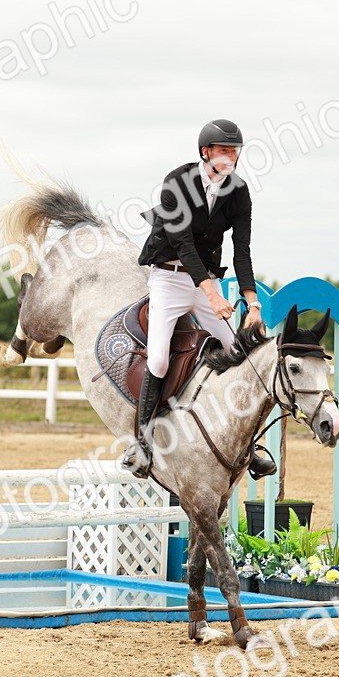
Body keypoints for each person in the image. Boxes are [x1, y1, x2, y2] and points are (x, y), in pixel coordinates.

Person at [125, 118, 276, 477]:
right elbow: (185, 246)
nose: (231, 156)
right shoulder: (177, 183)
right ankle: (142, 444)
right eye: (224, 150)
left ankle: (249, 446)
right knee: (159, 359)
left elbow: (242, 251)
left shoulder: (238, 192)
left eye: (235, 150)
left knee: (239, 356)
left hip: (206, 280)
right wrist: (212, 294)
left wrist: (252, 303)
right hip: (168, 279)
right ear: (205, 152)